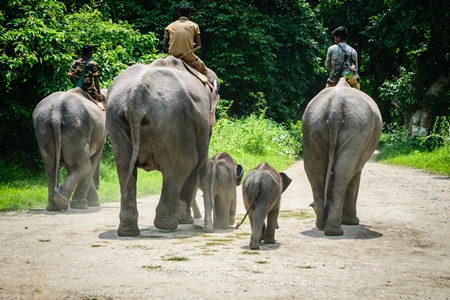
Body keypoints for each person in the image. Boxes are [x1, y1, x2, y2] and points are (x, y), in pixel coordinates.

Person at [163, 4, 208, 76]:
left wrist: (176, 47)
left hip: (172, 58)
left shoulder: (169, 26)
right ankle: (209, 86)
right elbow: (198, 45)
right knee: (204, 70)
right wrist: (188, 47)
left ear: (179, 14)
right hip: (188, 58)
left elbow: (165, 45)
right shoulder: (194, 26)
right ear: (189, 15)